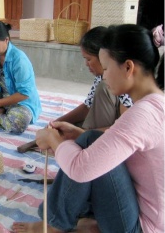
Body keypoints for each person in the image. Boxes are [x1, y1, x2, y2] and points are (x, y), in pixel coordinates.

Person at [12, 24, 164, 233]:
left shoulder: (143, 114)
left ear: (128, 68)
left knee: (89, 145)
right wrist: (78, 133)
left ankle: (55, 224)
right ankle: (89, 222)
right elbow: (120, 140)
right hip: (146, 214)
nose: (104, 76)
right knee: (90, 138)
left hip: (142, 227)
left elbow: (80, 169)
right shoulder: (156, 103)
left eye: (107, 68)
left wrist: (55, 141)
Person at [17, 26, 132, 152]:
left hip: (111, 135)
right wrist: (56, 122)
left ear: (103, 56)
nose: (86, 64)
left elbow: (123, 129)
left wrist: (83, 133)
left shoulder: (117, 82)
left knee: (67, 137)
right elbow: (86, 107)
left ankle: (83, 145)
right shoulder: (101, 77)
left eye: (88, 59)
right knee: (61, 129)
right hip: (100, 126)